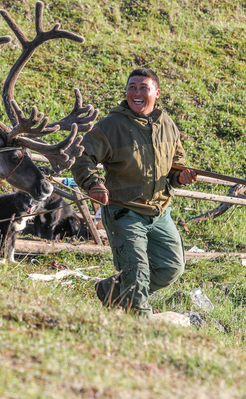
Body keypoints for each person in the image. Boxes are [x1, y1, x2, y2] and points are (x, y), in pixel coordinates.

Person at [70, 67, 197, 317]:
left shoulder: (168, 125)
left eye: (143, 88)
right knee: (137, 272)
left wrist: (181, 177)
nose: (136, 93)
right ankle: (141, 327)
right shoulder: (111, 126)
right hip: (124, 211)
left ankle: (111, 291)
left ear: (156, 93)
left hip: (160, 212)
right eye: (132, 87)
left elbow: (176, 165)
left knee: (172, 267)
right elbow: (81, 157)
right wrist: (93, 184)